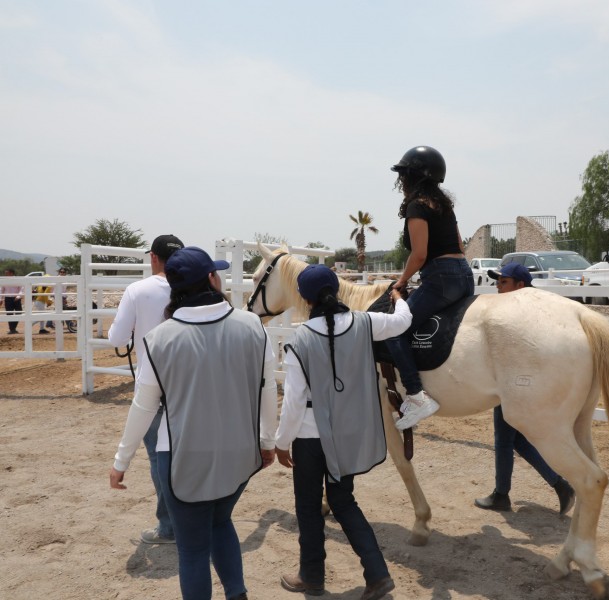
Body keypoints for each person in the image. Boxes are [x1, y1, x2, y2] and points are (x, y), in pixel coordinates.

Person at [110, 246, 278, 600]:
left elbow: (143, 407)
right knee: (220, 522)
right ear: (212, 280)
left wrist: (121, 462)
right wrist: (266, 441)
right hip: (238, 452)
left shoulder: (159, 339)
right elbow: (267, 388)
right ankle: (237, 593)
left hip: (184, 455)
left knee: (192, 550)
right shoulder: (252, 326)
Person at [275, 264, 409, 600]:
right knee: (343, 500)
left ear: (305, 298)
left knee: (307, 505)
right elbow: (401, 322)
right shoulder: (365, 323)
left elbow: (292, 403)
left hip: (309, 438)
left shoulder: (300, 339)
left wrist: (280, 442)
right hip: (347, 436)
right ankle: (377, 575)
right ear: (335, 289)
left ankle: (312, 576)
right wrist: (398, 297)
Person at [474, 263, 575, 515]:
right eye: (497, 282)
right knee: (514, 438)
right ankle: (559, 485)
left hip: (515, 384)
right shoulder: (528, 309)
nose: (497, 287)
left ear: (520, 285)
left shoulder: (519, 314)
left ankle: (502, 495)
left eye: (503, 282)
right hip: (517, 382)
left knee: (504, 438)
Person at [385, 145, 475, 430]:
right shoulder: (445, 206)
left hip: (440, 277)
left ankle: (415, 394)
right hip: (463, 273)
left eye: (404, 176)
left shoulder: (417, 206)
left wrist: (401, 282)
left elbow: (420, 254)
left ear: (412, 177)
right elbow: (460, 246)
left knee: (394, 328)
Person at [107, 234, 184, 544]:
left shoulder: (138, 290)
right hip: (189, 384)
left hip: (153, 382)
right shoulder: (192, 287)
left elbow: (116, 338)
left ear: (154, 257)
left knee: (157, 455)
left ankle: (168, 526)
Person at [1, 269, 23, 334]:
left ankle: (13, 328)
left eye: (7, 273)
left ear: (11, 273)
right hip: (7, 298)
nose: (5, 275)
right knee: (9, 313)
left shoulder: (18, 280)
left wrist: (18, 296)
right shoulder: (4, 280)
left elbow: (21, 289)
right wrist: (1, 299)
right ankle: (12, 329)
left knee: (19, 312)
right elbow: (1, 290)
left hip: (16, 298)